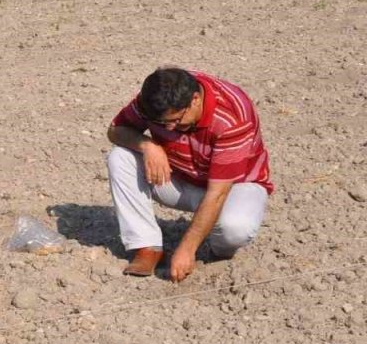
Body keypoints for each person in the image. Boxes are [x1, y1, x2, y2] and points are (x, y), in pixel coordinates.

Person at [106, 67, 273, 282]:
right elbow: (115, 131)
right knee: (120, 157)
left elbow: (218, 193)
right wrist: (148, 146)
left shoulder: (232, 117)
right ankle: (147, 247)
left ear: (195, 99)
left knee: (235, 229)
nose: (170, 127)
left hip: (233, 187)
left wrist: (187, 248)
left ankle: (218, 248)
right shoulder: (155, 100)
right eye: (162, 123)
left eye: (176, 120)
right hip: (177, 178)